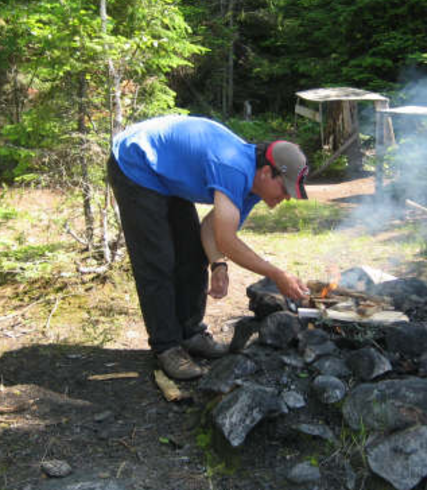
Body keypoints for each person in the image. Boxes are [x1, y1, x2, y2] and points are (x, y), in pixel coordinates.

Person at [108, 114, 310, 380]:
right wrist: (277, 274)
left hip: (165, 173)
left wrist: (218, 264)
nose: (285, 198)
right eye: (284, 189)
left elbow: (210, 230)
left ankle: (191, 334)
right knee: (157, 261)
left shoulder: (252, 188)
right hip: (137, 161)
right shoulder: (234, 168)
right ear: (265, 172)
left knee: (192, 252)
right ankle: (167, 347)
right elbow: (227, 240)